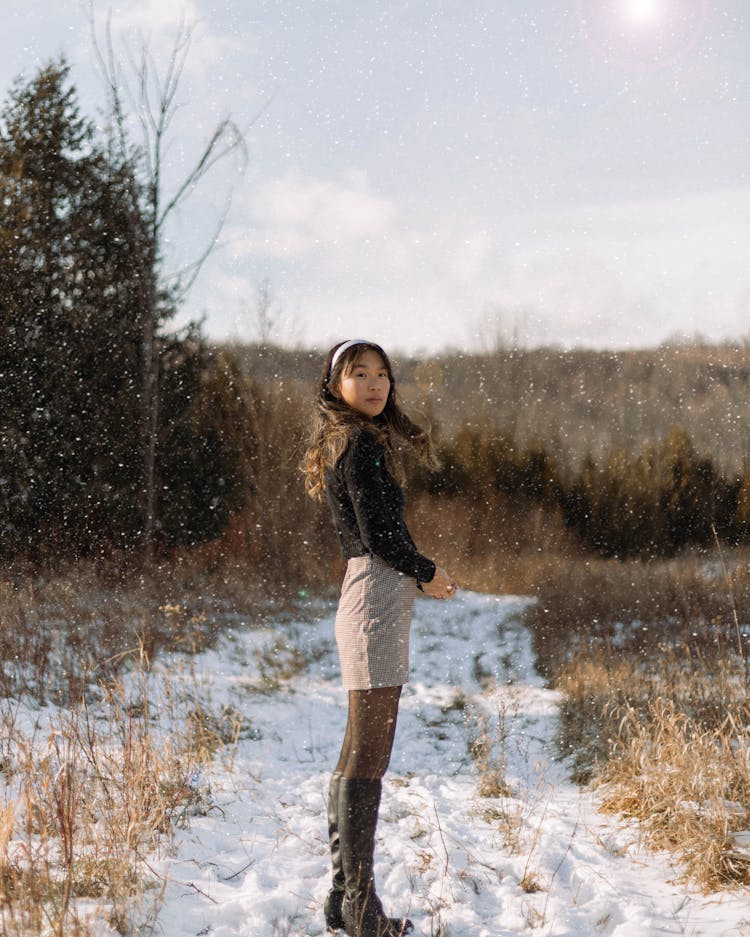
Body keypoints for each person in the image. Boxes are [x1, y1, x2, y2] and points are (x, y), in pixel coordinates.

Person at [301, 339, 457, 937]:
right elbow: (380, 534)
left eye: (382, 375)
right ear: (334, 384)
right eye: (358, 373)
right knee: (369, 754)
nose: (374, 385)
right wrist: (429, 572)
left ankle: (346, 899)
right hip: (375, 594)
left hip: (373, 595)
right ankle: (360, 907)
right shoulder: (359, 443)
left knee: (359, 752)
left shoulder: (355, 440)